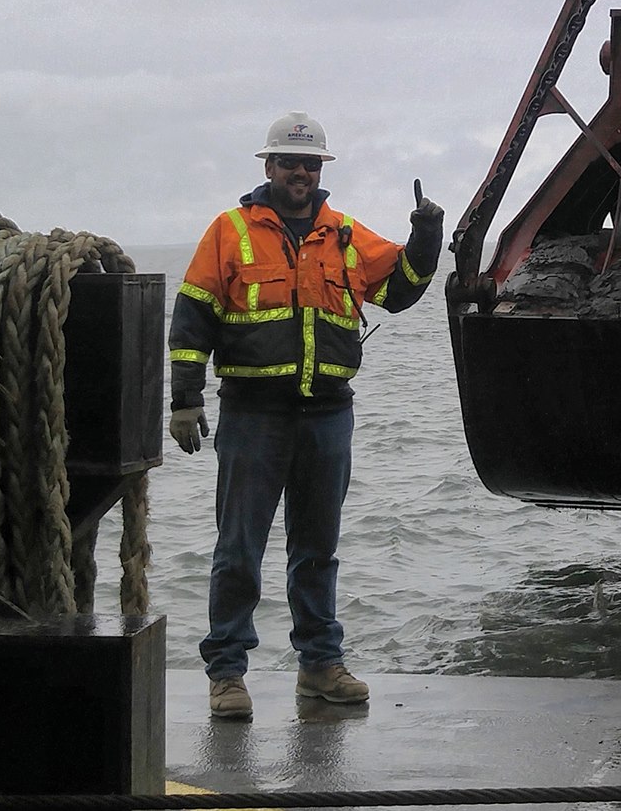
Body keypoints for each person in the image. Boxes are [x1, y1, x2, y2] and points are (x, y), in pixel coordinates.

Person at [167, 112, 443, 720]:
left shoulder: (343, 233)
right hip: (252, 416)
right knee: (238, 549)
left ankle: (320, 666)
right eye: (290, 162)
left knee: (318, 549)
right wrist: (185, 399)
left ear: (321, 171)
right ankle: (227, 673)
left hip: (327, 415)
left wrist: (427, 238)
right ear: (268, 167)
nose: (300, 172)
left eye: (310, 163)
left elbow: (400, 290)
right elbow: (191, 320)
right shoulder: (229, 231)